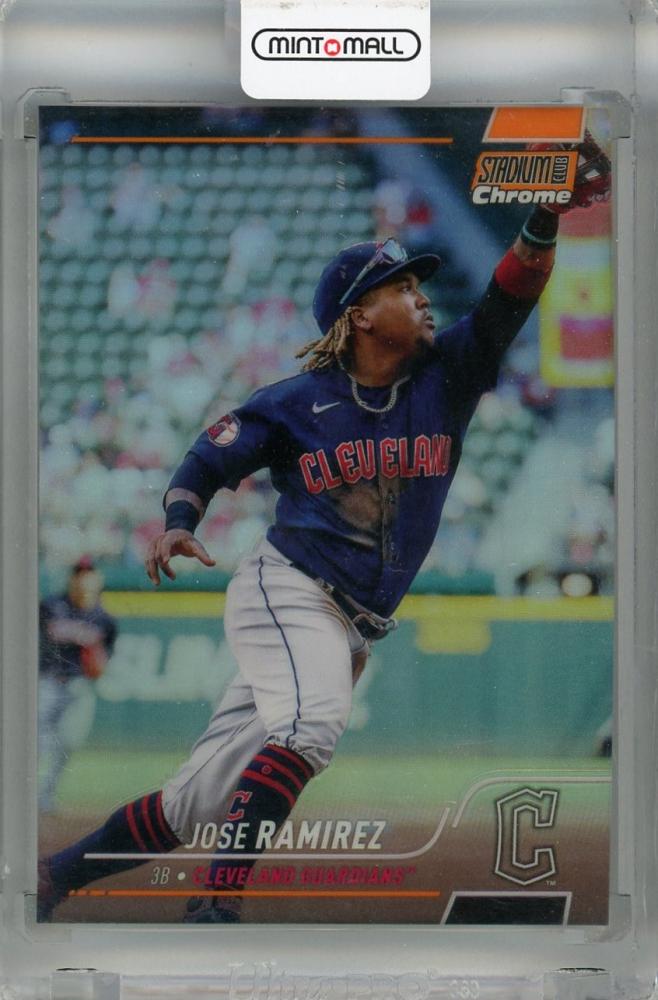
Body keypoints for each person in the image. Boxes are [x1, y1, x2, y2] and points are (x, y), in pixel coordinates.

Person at [38, 149, 609, 922]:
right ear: (359, 315)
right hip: (289, 589)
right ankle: (215, 908)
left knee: (191, 804)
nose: (422, 296)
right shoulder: (296, 401)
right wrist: (178, 522)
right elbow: (210, 455)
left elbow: (513, 293)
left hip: (350, 623)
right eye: (402, 287)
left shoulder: (449, 374)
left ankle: (57, 875)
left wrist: (545, 215)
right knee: (310, 727)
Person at [38, 556, 117, 813]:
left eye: (88, 573)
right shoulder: (52, 605)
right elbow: (51, 632)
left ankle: (45, 796)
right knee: (38, 740)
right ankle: (20, 795)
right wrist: (82, 635)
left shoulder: (104, 618)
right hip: (47, 683)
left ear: (97, 579)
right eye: (79, 574)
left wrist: (96, 659)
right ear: (71, 579)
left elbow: (104, 660)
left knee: (69, 742)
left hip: (80, 686)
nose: (83, 579)